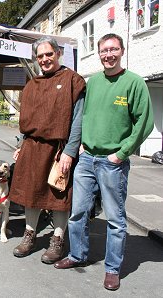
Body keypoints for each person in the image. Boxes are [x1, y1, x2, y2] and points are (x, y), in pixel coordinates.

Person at [54, 33, 154, 291]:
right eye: (104, 50)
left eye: (113, 50)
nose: (108, 55)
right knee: (77, 212)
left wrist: (121, 154)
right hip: (87, 159)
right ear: (99, 53)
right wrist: (82, 146)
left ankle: (112, 269)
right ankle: (77, 255)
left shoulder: (134, 83)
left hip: (113, 162)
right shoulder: (94, 82)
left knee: (115, 219)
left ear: (122, 51)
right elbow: (83, 115)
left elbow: (144, 123)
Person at [8, 36, 85, 264]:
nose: (44, 59)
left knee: (58, 195)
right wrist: (22, 146)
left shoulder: (72, 80)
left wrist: (70, 152)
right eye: (40, 56)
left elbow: (78, 119)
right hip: (32, 148)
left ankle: (57, 240)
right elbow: (29, 123)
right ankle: (29, 235)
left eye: (48, 54)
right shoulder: (32, 85)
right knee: (31, 194)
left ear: (58, 53)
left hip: (59, 150)